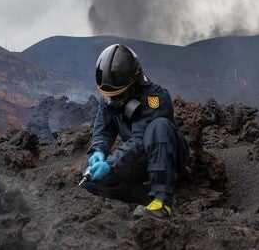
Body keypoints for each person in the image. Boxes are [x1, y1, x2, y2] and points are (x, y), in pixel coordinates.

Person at [81, 44, 189, 218]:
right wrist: (98, 151)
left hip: (165, 154)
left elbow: (140, 140)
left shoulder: (155, 97)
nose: (112, 99)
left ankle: (162, 201)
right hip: (138, 158)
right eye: (109, 95)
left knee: (159, 125)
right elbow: (103, 130)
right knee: (93, 183)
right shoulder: (110, 99)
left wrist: (110, 164)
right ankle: (147, 199)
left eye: (118, 93)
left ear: (134, 82)